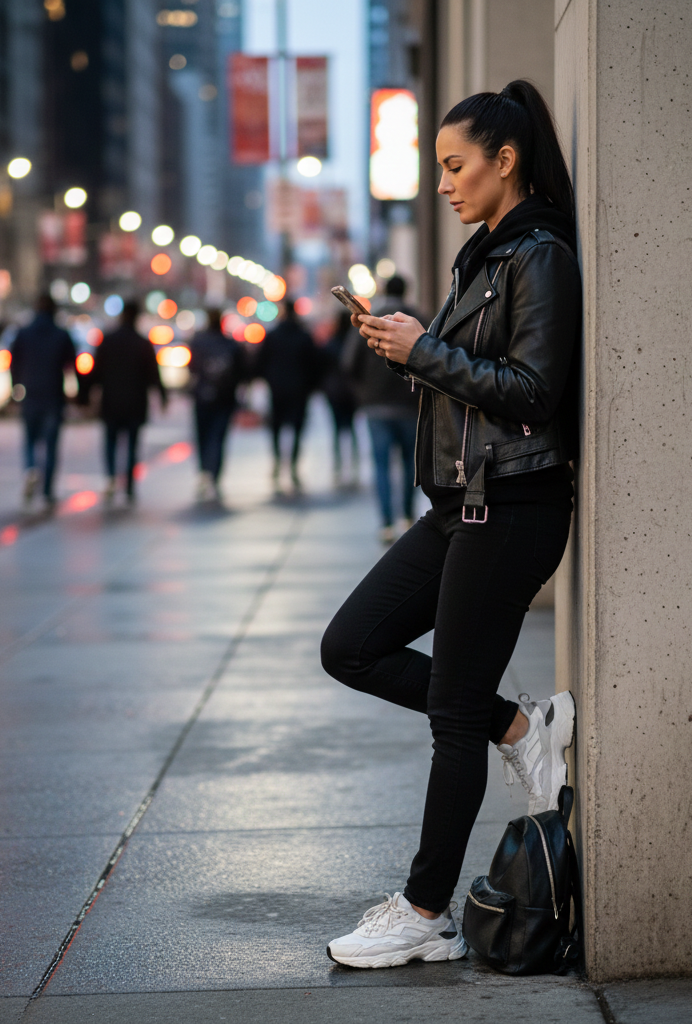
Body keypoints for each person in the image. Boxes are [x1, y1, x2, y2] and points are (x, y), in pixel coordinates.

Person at [321, 80, 581, 969]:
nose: (443, 183)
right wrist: (407, 352)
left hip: (512, 508)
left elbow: (536, 392)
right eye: (438, 167)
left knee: (449, 714)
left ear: (506, 161)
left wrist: (424, 349)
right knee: (349, 646)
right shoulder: (485, 254)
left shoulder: (538, 253)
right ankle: (521, 726)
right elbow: (477, 382)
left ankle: (424, 910)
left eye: (456, 165)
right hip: (460, 505)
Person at [343, 275, 421, 543]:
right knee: (411, 463)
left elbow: (349, 363)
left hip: (376, 406)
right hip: (411, 403)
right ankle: (409, 518)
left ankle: (386, 523)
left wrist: (364, 392)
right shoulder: (418, 319)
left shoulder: (371, 319)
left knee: (381, 466)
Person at [90, 299, 166, 502]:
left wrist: (85, 395)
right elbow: (153, 374)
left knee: (111, 443)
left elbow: (95, 372)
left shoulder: (108, 341)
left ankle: (111, 479)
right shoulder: (142, 343)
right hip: (135, 403)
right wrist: (162, 396)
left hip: (111, 402)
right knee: (132, 445)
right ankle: (129, 485)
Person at [11, 293, 77, 508]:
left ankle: (30, 469)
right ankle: (47, 489)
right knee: (50, 444)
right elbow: (72, 365)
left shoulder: (24, 333)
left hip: (31, 394)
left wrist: (16, 387)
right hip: (53, 395)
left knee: (30, 440)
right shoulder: (61, 334)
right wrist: (78, 394)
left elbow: (14, 362)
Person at [254, 299, 319, 492]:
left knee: (276, 427)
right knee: (297, 428)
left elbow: (261, 361)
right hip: (299, 389)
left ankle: (276, 460)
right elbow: (313, 363)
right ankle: (292, 465)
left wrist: (265, 379)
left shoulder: (273, 335)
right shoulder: (303, 336)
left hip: (277, 389)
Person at [188, 308, 246, 502]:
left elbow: (192, 368)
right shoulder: (230, 344)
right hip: (224, 397)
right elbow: (241, 371)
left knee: (203, 435)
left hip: (202, 396)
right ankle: (214, 473)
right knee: (218, 436)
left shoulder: (198, 342)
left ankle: (205, 470)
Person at [321, 310, 359, 488]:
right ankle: (354, 464)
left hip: (334, 392)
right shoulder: (354, 342)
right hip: (351, 391)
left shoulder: (331, 343)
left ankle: (338, 465)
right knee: (351, 427)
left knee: (337, 428)